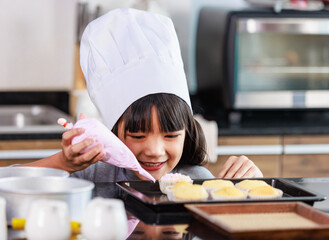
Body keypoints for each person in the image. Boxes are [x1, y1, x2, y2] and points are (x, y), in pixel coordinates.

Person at [21, 8, 263, 181]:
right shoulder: (91, 174)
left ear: (187, 133)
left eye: (170, 135)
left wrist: (250, 188)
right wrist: (62, 163)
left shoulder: (198, 181)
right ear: (114, 131)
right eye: (137, 135)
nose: (155, 150)